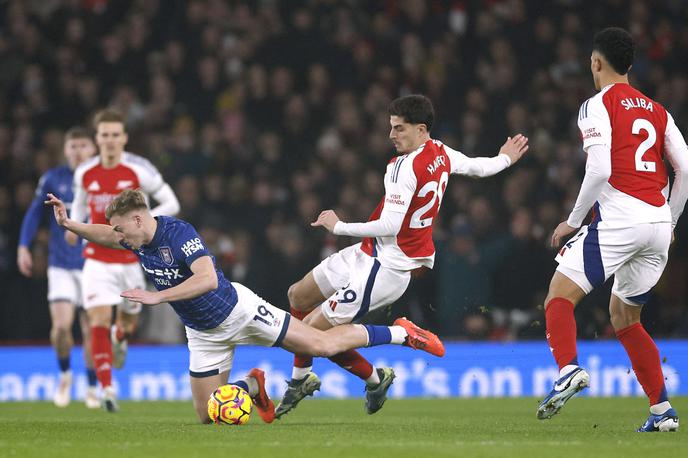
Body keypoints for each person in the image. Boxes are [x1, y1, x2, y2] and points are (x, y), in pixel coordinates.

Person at [46, 189, 445, 423]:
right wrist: (70, 225)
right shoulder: (134, 237)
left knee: (319, 344)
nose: (118, 237)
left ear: (137, 219)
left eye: (121, 228)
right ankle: (253, 384)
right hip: (203, 333)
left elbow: (205, 279)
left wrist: (157, 297)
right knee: (206, 415)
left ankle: (401, 332)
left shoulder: (177, 232)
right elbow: (103, 234)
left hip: (238, 311)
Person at [277, 94, 529, 418]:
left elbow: (392, 224)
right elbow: (478, 167)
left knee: (310, 334)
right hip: (371, 252)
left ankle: (401, 335)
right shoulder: (439, 151)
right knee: (297, 295)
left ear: (421, 129)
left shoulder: (402, 167)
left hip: (386, 266)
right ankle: (353, 379)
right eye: (391, 127)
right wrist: (505, 159)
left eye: (399, 128)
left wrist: (338, 225)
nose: (391, 135)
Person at [537, 27, 688, 432]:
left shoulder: (596, 105)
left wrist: (572, 219)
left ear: (596, 62)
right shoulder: (659, 111)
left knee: (558, 297)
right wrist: (671, 220)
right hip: (657, 226)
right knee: (625, 318)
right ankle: (662, 412)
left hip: (622, 219)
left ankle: (568, 369)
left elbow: (600, 168)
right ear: (631, 66)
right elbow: (685, 168)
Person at [69, 109, 180, 410]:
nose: (110, 141)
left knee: (127, 325)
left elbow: (172, 202)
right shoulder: (85, 173)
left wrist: (145, 227)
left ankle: (121, 336)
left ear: (124, 138)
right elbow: (79, 205)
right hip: (96, 261)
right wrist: (74, 227)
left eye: (115, 135)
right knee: (98, 320)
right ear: (97, 138)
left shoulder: (139, 170)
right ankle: (107, 388)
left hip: (131, 261)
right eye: (104, 135)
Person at [17, 127, 100, 408]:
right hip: (61, 265)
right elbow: (33, 213)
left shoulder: (99, 180)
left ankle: (91, 386)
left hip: (92, 264)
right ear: (65, 150)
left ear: (93, 149)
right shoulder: (53, 178)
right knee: (62, 328)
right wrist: (23, 246)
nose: (78, 151)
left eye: (83, 146)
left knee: (91, 330)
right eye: (73, 146)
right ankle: (65, 375)